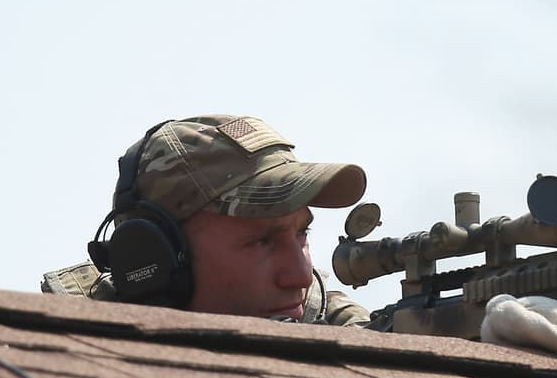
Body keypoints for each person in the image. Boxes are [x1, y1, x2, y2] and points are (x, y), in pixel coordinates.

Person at [42, 114, 372, 327]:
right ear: (156, 262)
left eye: (303, 233)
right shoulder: (55, 364)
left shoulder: (339, 326)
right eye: (261, 241)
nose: (300, 276)